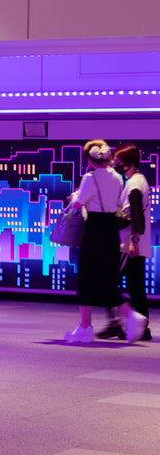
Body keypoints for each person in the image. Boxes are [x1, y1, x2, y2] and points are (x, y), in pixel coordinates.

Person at [64, 140, 145, 344]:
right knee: (107, 278)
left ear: (90, 160)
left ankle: (85, 328)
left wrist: (74, 197)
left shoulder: (90, 178)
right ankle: (129, 315)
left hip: (94, 230)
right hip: (111, 230)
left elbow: (79, 203)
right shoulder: (118, 178)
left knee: (86, 278)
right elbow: (117, 203)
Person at [98, 142, 151, 342]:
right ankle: (142, 328)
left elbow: (135, 216)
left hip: (129, 245)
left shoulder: (134, 185)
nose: (116, 165)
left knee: (108, 281)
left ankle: (116, 324)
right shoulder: (139, 181)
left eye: (119, 162)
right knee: (136, 287)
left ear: (128, 163)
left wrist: (134, 240)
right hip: (136, 244)